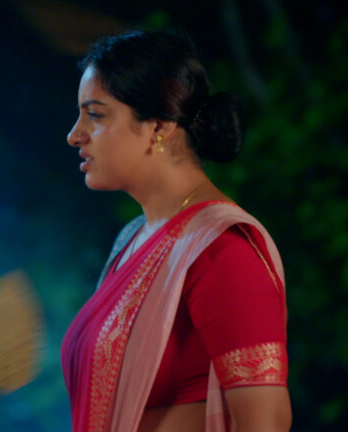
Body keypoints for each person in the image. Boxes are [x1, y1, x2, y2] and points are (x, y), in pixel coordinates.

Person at [61, 31, 291, 432]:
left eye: (95, 116)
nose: (74, 135)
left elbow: (266, 422)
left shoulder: (222, 250)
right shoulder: (132, 241)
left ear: (158, 125)